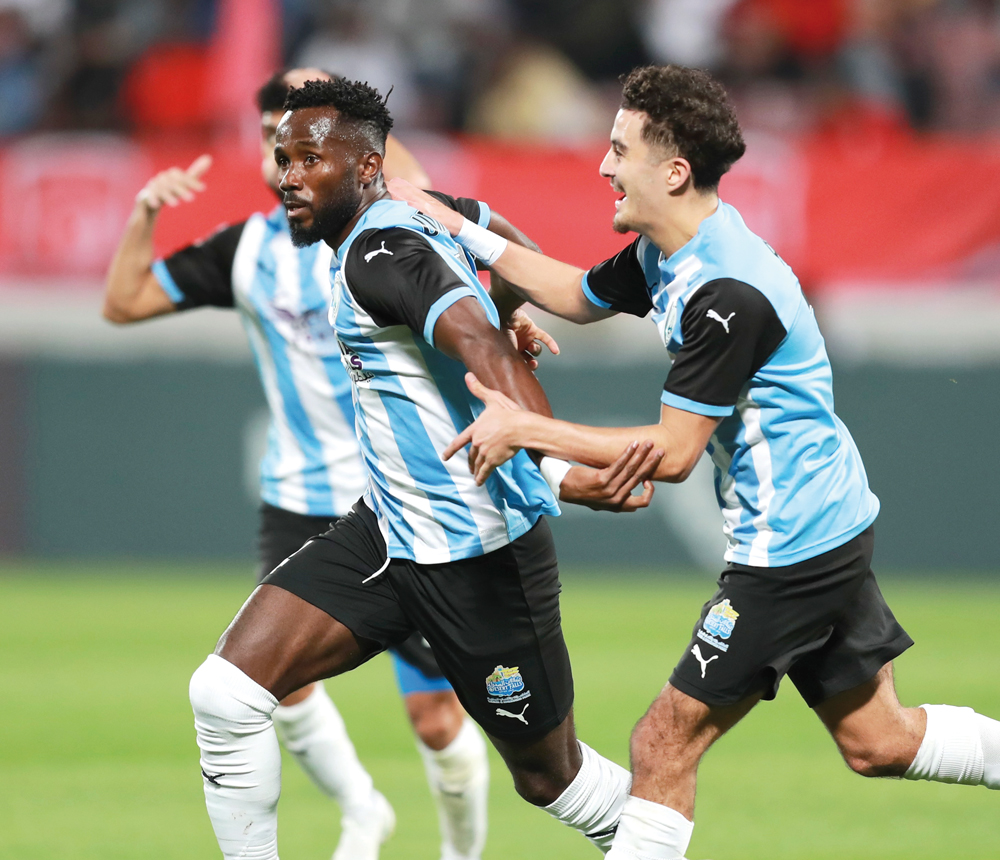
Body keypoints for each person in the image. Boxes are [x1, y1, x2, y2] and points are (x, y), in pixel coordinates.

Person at [388, 64, 1000, 860]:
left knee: (662, 742)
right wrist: (453, 226)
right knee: (877, 740)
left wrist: (527, 430)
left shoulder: (727, 293)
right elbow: (573, 292)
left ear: (673, 171)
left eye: (620, 150)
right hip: (828, 520)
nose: (603, 166)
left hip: (792, 547)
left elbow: (672, 455)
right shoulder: (667, 252)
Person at [186, 75, 665, 860]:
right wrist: (512, 304)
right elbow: (508, 240)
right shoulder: (416, 208)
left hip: (477, 556)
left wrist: (555, 461)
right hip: (389, 532)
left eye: (311, 159)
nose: (289, 177)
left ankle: (659, 838)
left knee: (553, 780)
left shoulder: (380, 251)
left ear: (366, 166)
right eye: (282, 158)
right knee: (226, 692)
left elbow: (476, 345)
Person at [103, 67, 492, 860]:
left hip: (404, 495)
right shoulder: (245, 251)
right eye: (276, 140)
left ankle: (462, 852)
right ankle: (364, 810)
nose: (287, 157)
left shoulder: (390, 225)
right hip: (300, 496)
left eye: (312, 141)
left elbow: (407, 177)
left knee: (436, 716)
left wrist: (347, 104)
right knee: (267, 685)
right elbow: (125, 302)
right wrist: (144, 212)